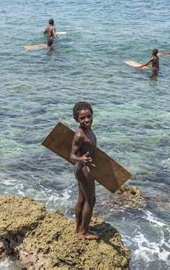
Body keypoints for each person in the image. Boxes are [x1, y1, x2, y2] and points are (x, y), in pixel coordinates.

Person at [70, 101, 99, 240]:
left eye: (89, 116)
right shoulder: (80, 134)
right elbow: (72, 155)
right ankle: (84, 232)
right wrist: (81, 159)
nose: (87, 120)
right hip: (83, 170)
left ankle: (78, 228)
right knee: (91, 200)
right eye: (82, 118)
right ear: (76, 119)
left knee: (82, 199)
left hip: (84, 169)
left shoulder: (89, 130)